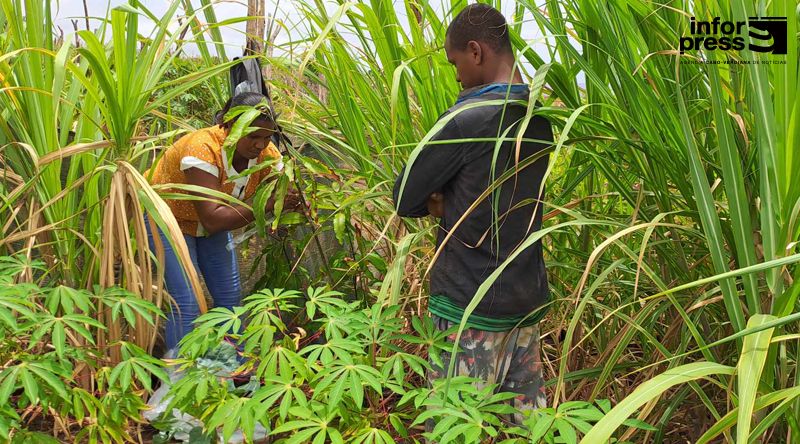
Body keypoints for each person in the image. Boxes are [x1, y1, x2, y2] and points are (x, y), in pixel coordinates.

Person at [392, 4, 553, 425]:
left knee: (453, 428)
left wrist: (443, 198)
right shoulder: (543, 118)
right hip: (525, 300)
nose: (458, 75)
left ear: (476, 51)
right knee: (528, 430)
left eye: (455, 63)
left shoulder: (467, 119)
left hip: (470, 305)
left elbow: (405, 198)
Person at [146, 92, 301, 352]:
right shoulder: (202, 148)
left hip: (212, 224)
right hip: (169, 219)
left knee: (229, 300)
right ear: (229, 125)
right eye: (252, 136)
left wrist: (293, 199)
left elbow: (282, 188)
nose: (260, 145)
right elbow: (213, 218)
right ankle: (177, 379)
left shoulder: (267, 154)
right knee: (186, 303)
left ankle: (230, 370)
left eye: (266, 136)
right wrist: (269, 204)